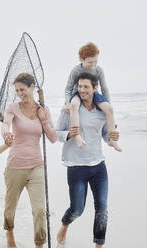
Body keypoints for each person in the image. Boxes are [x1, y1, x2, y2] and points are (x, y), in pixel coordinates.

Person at [55, 72, 120, 248]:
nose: (82, 90)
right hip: (77, 166)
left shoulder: (101, 111)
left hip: (98, 165)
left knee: (102, 209)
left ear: (95, 89)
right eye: (80, 86)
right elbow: (56, 133)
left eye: (86, 87)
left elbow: (105, 134)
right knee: (77, 209)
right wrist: (69, 134)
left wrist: (112, 139)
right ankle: (65, 224)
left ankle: (98, 245)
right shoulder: (69, 109)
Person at [1, 73, 57, 248]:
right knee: (10, 207)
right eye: (17, 90)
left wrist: (43, 119)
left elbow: (53, 138)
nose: (20, 93)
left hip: (36, 166)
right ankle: (10, 237)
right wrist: (6, 135)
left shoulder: (44, 109)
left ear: (32, 87)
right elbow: (5, 125)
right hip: (15, 165)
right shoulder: (12, 107)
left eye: (22, 89)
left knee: (40, 210)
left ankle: (39, 244)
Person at [65, 42, 122, 152]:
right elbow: (68, 88)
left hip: (94, 93)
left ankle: (112, 140)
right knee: (74, 105)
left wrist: (107, 105)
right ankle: (77, 137)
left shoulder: (98, 70)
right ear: (82, 59)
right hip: (78, 92)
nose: (93, 64)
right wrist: (67, 102)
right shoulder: (76, 71)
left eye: (95, 61)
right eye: (90, 62)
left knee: (109, 109)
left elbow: (104, 88)